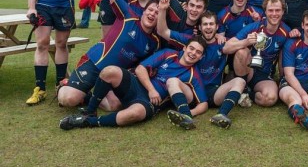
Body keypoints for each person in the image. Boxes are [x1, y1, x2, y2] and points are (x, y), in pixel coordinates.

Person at [57, 0, 161, 109]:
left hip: (112, 75)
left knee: (115, 105)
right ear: (144, 11)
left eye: (157, 13)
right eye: (150, 10)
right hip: (95, 64)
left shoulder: (154, 41)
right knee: (68, 100)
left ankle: (88, 95)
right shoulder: (129, 16)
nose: (152, 14)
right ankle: (66, 85)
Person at [59, 36, 208, 130]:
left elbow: (204, 104)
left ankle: (89, 122)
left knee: (132, 113)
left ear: (201, 57)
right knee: (110, 71)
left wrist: (189, 114)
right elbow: (141, 68)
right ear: (184, 48)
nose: (193, 53)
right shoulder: (169, 53)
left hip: (149, 102)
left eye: (198, 52)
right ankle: (90, 109)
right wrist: (151, 89)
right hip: (138, 85)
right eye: (191, 48)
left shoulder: (193, 75)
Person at [224, 0, 291, 107]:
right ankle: (242, 88)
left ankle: (247, 93)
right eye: (270, 10)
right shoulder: (254, 27)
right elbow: (226, 47)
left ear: (283, 11)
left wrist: (282, 79)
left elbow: (282, 57)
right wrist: (246, 42)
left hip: (263, 75)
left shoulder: (286, 32)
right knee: (242, 51)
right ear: (264, 11)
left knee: (270, 99)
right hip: (247, 69)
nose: (274, 14)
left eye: (277, 10)